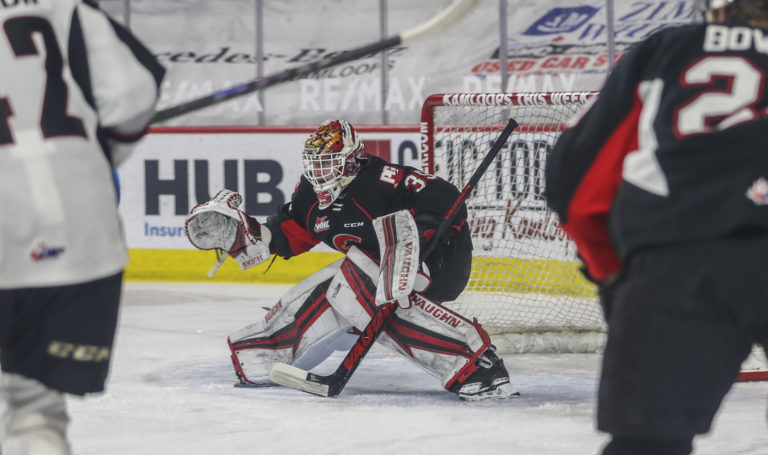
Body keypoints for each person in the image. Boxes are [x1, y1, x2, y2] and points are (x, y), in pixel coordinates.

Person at [545, 0, 768, 453]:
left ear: (719, 10)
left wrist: (613, 273)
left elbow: (575, 177)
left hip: (677, 259)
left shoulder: (669, 49)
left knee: (647, 443)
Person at [185, 119, 518, 400]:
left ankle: (474, 362)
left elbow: (446, 197)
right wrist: (246, 234)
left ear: (352, 160)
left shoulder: (382, 181)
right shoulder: (309, 195)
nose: (319, 172)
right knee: (329, 287)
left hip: (438, 263)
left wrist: (418, 237)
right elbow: (291, 233)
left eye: (327, 163)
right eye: (314, 163)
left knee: (353, 282)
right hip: (372, 270)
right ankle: (262, 355)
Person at [0, 1, 165, 453]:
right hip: (78, 236)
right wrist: (97, 151)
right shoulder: (65, 7)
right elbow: (131, 97)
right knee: (35, 411)